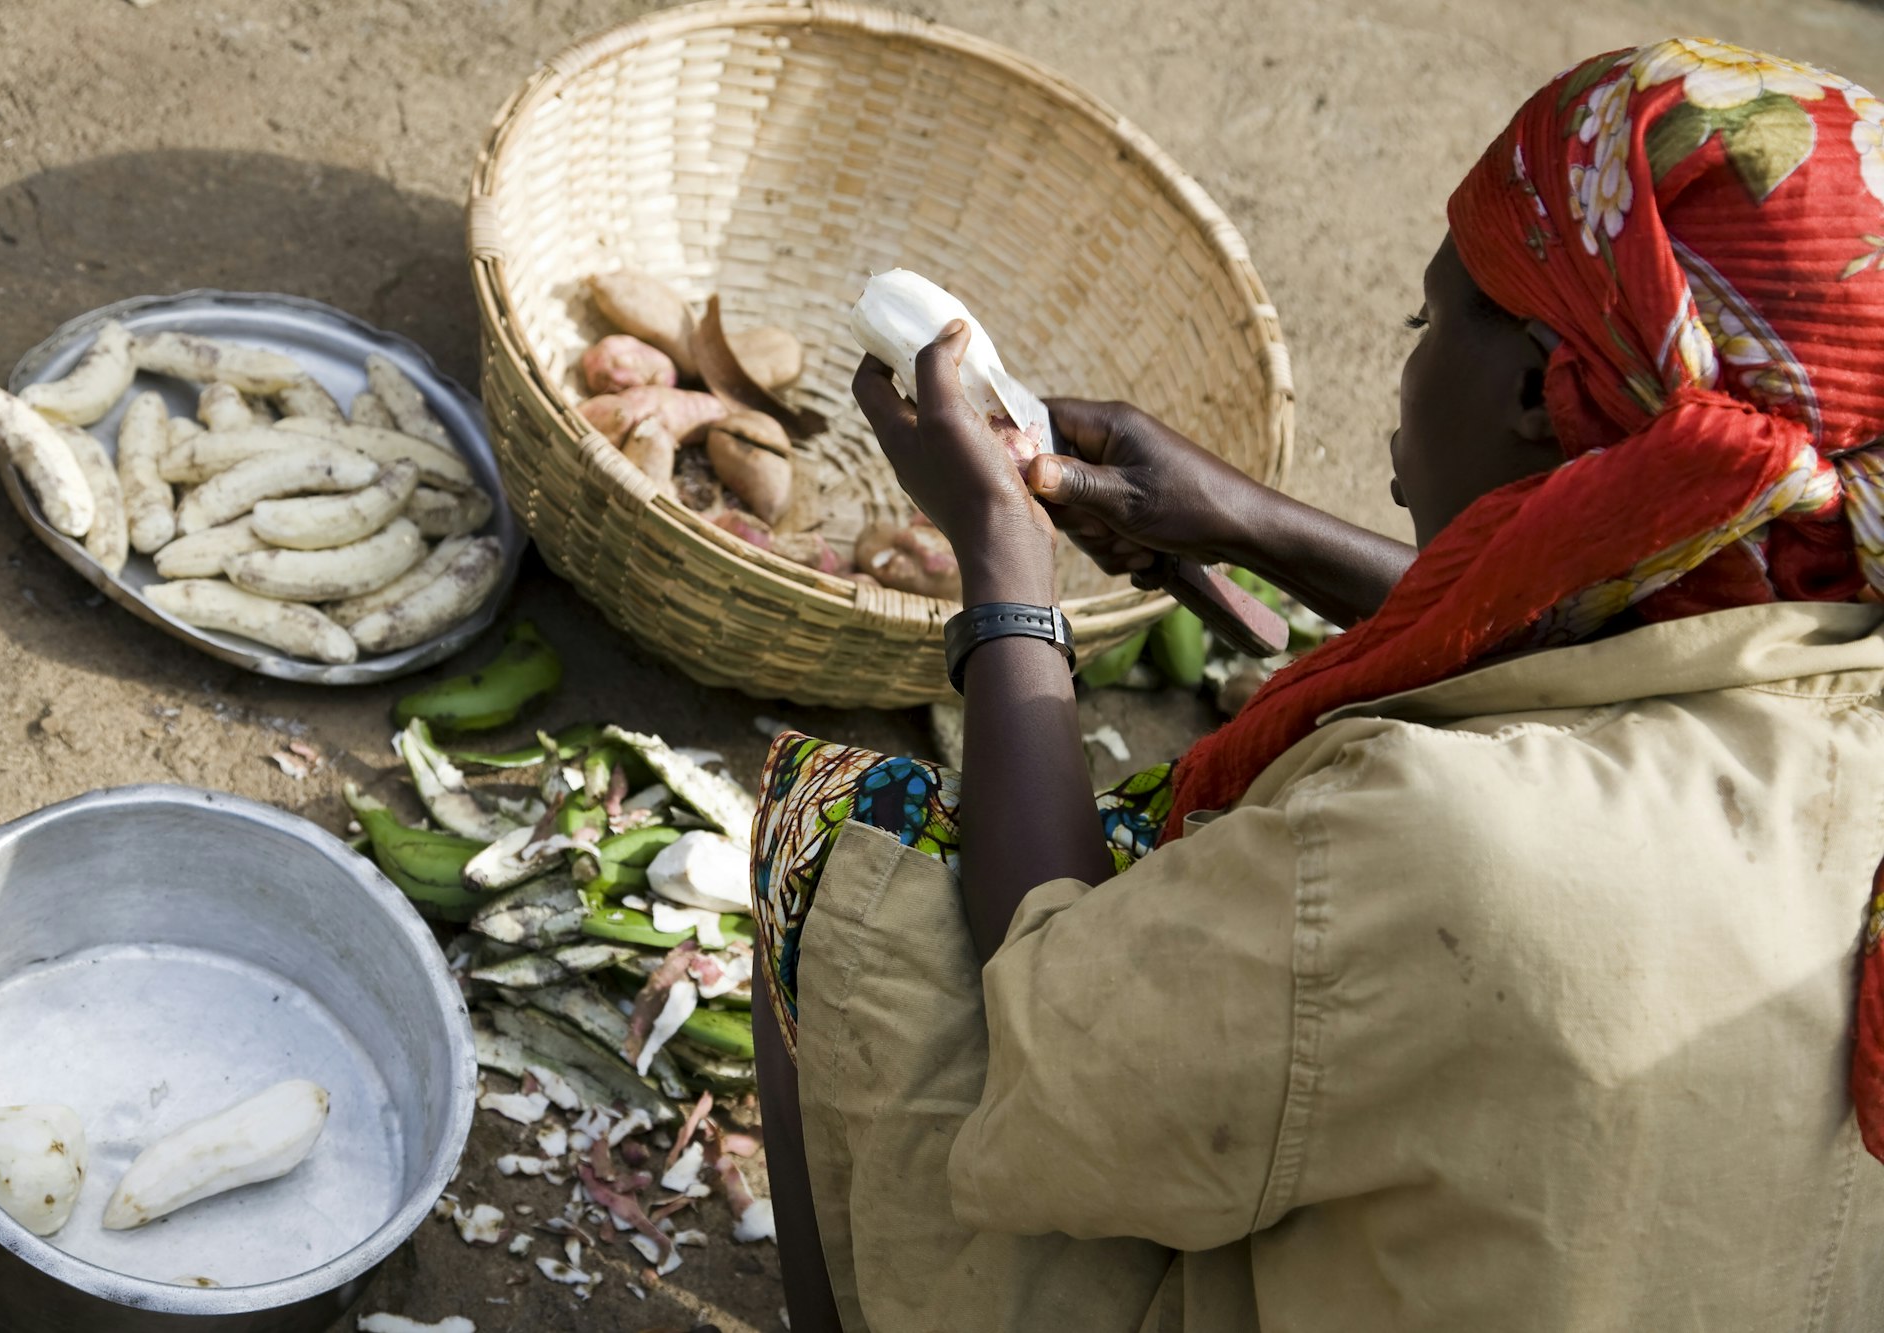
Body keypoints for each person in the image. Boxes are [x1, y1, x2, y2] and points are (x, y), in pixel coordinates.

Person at [749, 36, 1884, 1331]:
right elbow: (1595, 641)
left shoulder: (1442, 841)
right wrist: (1249, 523)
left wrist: (1007, 579)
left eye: (1427, 317)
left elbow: (1051, 1038)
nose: (1403, 360)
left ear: (1534, 389)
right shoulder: (1822, 611)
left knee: (838, 827)